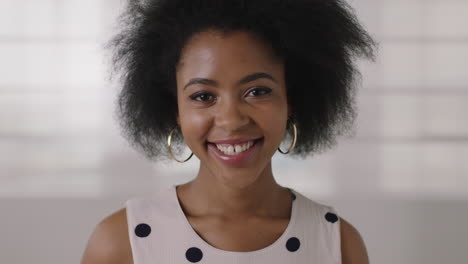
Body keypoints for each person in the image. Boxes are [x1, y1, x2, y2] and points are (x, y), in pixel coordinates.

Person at [81, 0, 376, 263]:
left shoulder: (338, 245)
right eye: (202, 96)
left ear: (291, 101)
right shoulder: (121, 244)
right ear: (176, 110)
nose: (231, 120)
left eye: (257, 91)